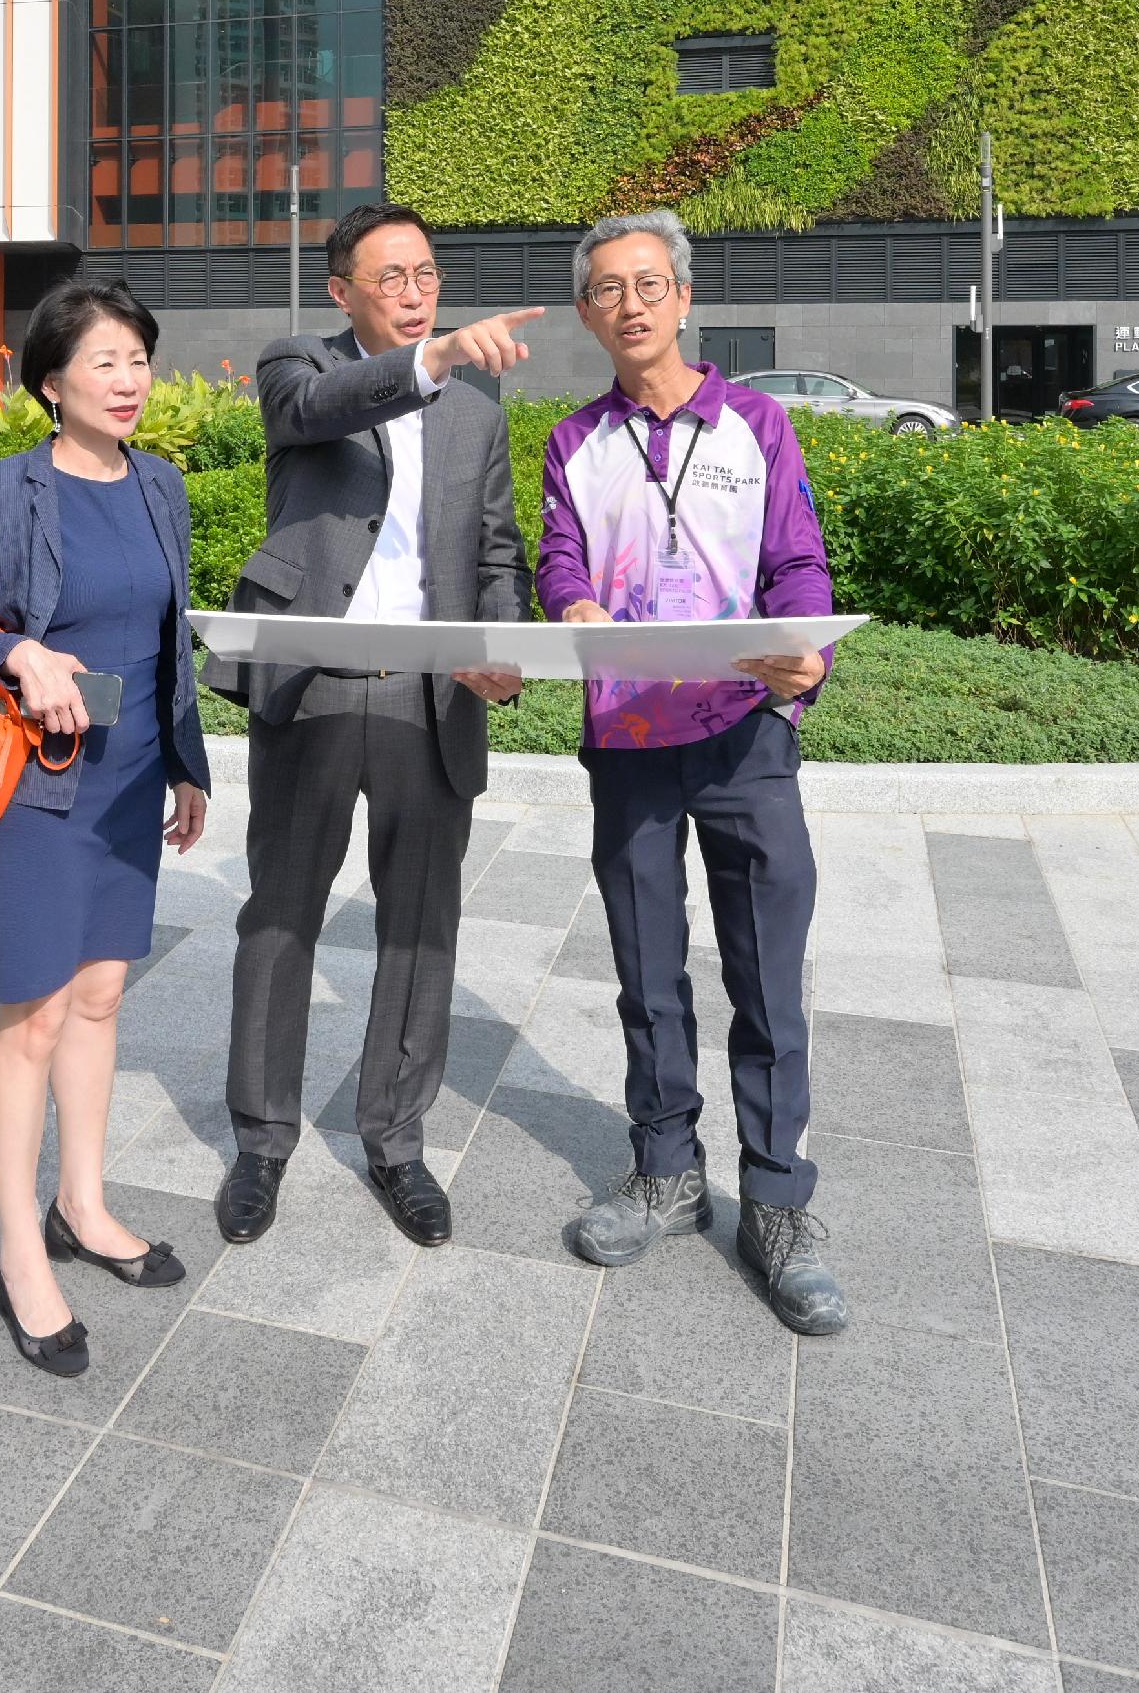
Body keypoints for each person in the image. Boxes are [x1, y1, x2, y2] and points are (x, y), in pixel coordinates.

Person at [536, 208, 849, 1335]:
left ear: (681, 298)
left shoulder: (756, 424)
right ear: (587, 313)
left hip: (743, 737)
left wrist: (801, 655)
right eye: (606, 290)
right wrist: (568, 602)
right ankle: (665, 1173)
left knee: (767, 979)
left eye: (647, 284)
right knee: (647, 973)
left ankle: (776, 1204)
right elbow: (560, 556)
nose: (629, 304)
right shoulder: (575, 442)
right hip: (626, 740)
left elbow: (796, 558)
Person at [207, 203, 534, 1250]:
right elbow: (317, 410)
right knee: (281, 914)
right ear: (341, 289)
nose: (412, 290)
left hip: (428, 698)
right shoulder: (294, 365)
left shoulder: (475, 414)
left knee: (419, 922)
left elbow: (496, 554)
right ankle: (261, 1139)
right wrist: (426, 359)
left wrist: (504, 649)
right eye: (388, 276)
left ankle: (396, 1143)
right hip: (316, 682)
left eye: (426, 272)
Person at [0, 278, 215, 1377]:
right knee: (34, 1016)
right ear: (51, 383)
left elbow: (167, 642)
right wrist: (20, 650)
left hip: (132, 778)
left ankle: (83, 1207)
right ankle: (19, 1253)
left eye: (138, 358)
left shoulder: (162, 486)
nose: (129, 378)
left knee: (100, 996)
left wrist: (188, 769)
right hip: (39, 786)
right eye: (103, 361)